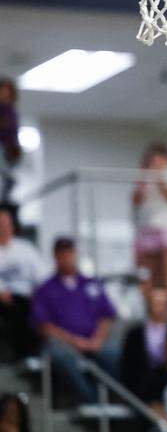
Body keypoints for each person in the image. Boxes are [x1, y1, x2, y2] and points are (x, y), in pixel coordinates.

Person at [30, 237, 118, 403]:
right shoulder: (45, 289)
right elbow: (45, 326)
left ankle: (119, 399)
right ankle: (92, 400)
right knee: (60, 356)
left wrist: (96, 341)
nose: (66, 257)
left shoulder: (91, 283)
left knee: (114, 355)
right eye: (62, 253)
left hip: (94, 342)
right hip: (63, 345)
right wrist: (76, 342)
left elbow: (106, 316)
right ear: (55, 256)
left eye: (69, 252)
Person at [132, 142, 167, 290]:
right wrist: (142, 180)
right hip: (148, 227)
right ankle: (150, 304)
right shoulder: (145, 176)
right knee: (148, 271)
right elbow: (135, 200)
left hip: (166, 228)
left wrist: (159, 177)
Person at [0, 204, 47, 359]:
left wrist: (37, 294)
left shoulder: (26, 249)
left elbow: (42, 277)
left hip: (25, 298)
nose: (3, 227)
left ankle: (26, 356)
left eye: (6, 223)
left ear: (13, 226)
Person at [120, 285, 167, 396]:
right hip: (141, 392)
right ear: (148, 303)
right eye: (155, 302)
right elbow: (127, 368)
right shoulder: (134, 335)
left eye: (163, 303)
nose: (159, 307)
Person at [0, 79, 22, 205]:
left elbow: (11, 131)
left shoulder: (11, 112)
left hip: (9, 148)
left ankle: (5, 198)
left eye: (7, 93)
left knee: (7, 173)